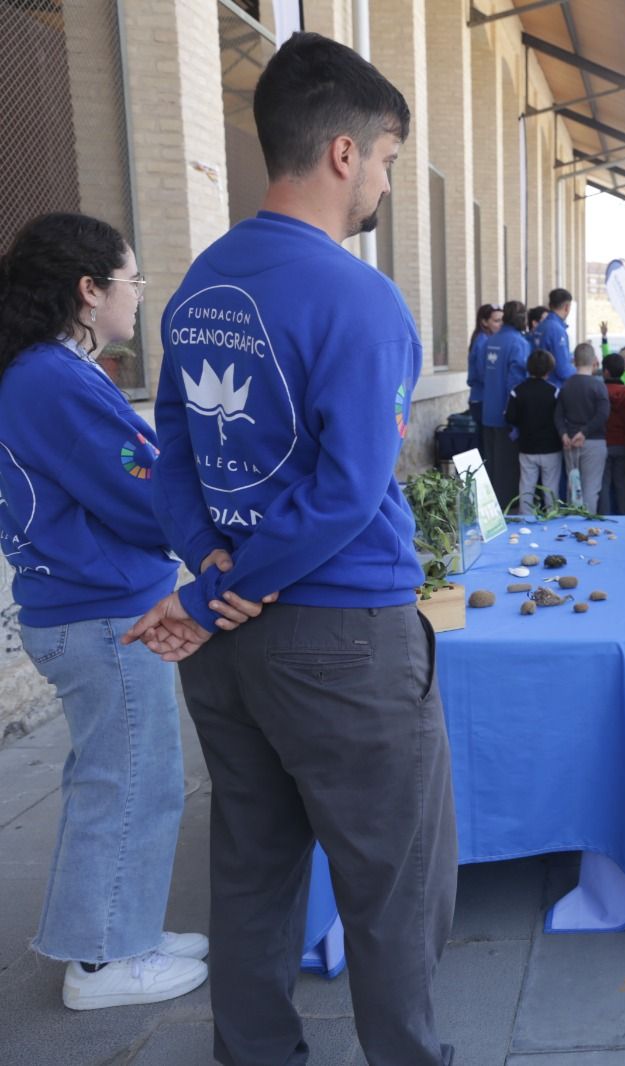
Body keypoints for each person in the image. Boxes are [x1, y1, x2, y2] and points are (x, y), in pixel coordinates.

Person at [129, 32, 456, 1064]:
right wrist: (235, 582)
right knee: (394, 888)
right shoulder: (360, 299)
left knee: (253, 869)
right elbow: (352, 489)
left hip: (233, 642)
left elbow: (170, 451)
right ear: (345, 154)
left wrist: (211, 578)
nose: (389, 185)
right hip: (343, 638)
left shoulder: (199, 287)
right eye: (391, 160)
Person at [0, 213, 251, 1010]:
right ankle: (106, 962)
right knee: (134, 784)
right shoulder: (51, 378)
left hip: (83, 606)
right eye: (132, 280)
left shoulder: (46, 372)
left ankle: (115, 932)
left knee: (112, 779)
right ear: (89, 290)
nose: (139, 296)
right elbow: (141, 493)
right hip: (101, 613)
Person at [480, 300, 530, 510]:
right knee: (508, 470)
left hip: (488, 412)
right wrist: (516, 418)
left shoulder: (490, 341)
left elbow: (483, 375)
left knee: (492, 466)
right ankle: (505, 513)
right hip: (506, 416)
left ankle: (491, 511)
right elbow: (516, 383)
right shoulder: (518, 343)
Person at [504, 349, 562, 509]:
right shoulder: (554, 392)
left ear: (528, 368)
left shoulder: (518, 391)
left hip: (527, 447)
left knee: (526, 487)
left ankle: (526, 521)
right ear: (550, 369)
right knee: (551, 489)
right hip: (551, 448)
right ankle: (552, 519)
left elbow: (510, 417)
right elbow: (560, 418)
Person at [556, 343, 609, 512]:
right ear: (594, 361)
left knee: (573, 489)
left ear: (574, 361)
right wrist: (584, 432)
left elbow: (557, 414)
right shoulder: (598, 385)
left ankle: (572, 526)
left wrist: (563, 434)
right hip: (593, 442)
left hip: (570, 442)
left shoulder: (566, 385)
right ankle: (586, 528)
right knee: (590, 490)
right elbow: (603, 414)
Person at [601, 352, 625, 513]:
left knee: (604, 484)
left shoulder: (600, 390)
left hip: (604, 443)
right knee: (621, 484)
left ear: (606, 371)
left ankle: (605, 519)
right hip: (623, 442)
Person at [465, 302, 501, 428]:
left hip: (482, 399)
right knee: (484, 444)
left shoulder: (486, 340)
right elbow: (483, 373)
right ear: (485, 322)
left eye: (503, 320)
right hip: (482, 399)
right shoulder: (483, 342)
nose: (501, 324)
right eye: (497, 321)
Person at [532, 286, 575, 385]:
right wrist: (579, 374)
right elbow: (562, 369)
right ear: (567, 307)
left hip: (540, 384)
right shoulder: (556, 330)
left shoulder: (541, 326)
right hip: (554, 386)